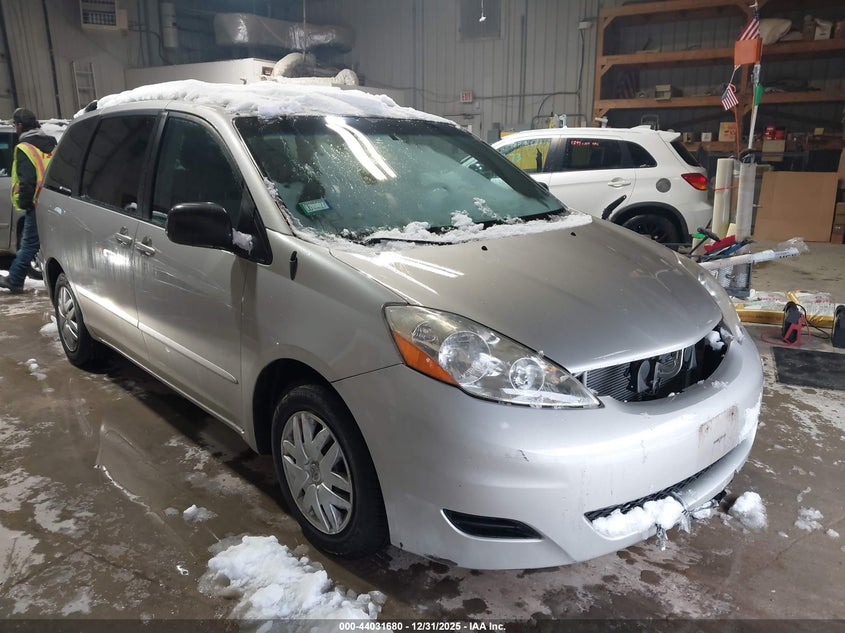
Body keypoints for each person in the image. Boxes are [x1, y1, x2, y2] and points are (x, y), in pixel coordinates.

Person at [0, 107, 56, 293]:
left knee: (29, 244)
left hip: (36, 202)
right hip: (54, 200)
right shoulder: (51, 143)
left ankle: (15, 280)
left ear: (21, 125)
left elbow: (27, 180)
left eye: (15, 125)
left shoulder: (24, 147)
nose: (15, 128)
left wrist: (24, 202)